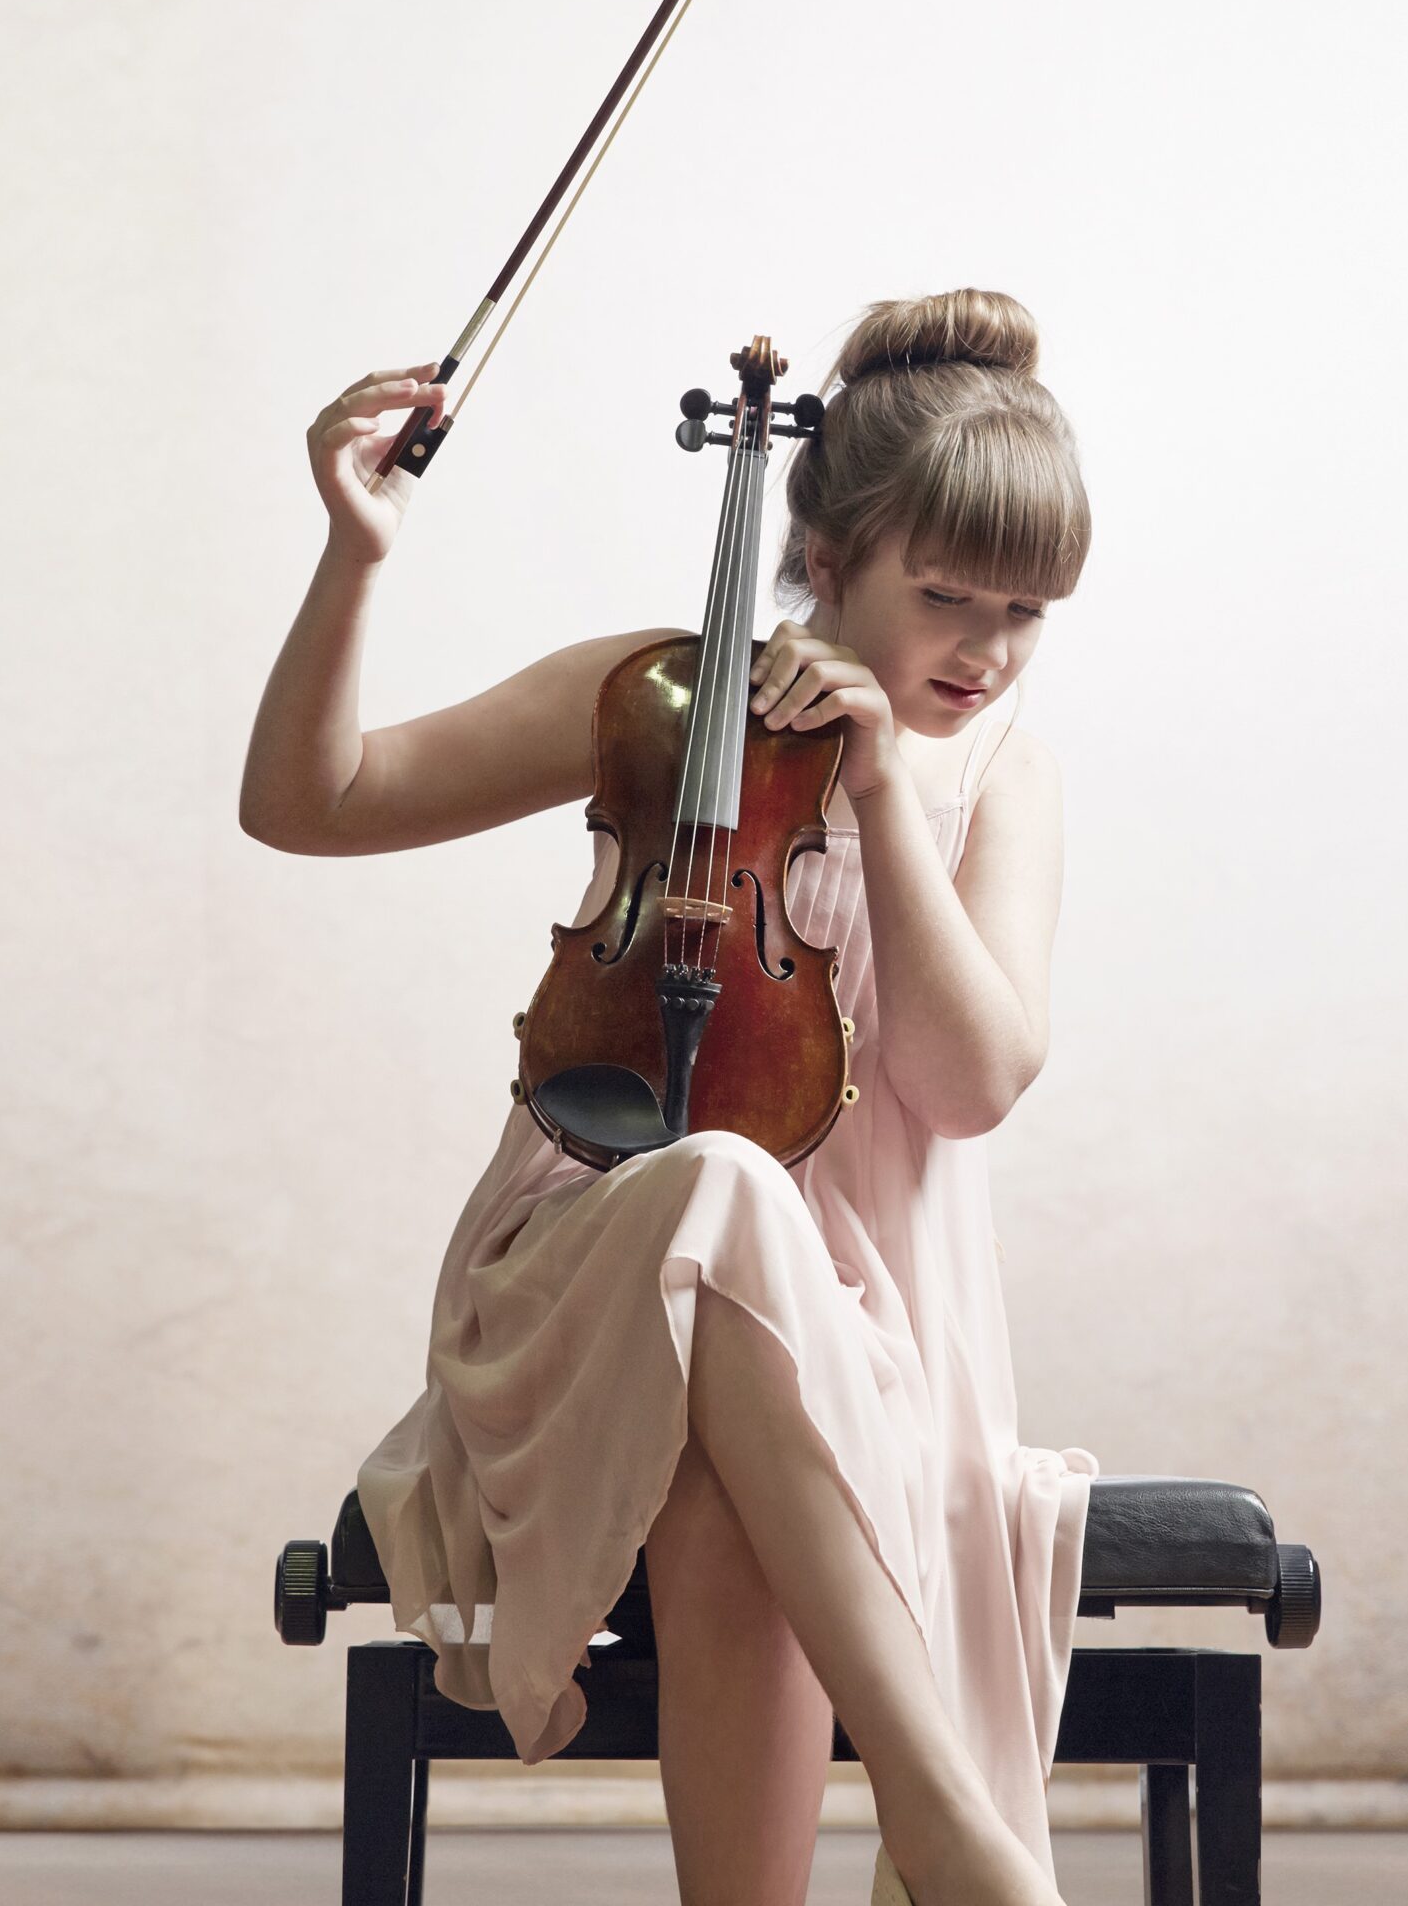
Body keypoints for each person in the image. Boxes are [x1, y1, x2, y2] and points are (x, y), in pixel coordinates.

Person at [241, 290, 1096, 1906]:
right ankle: (943, 1818)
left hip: (872, 1335)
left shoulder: (1002, 776)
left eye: (1027, 613)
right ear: (827, 559)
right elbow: (306, 802)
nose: (986, 651)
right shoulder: (658, 701)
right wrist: (356, 554)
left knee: (727, 1485)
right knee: (717, 1179)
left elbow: (967, 1087)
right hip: (590, 1271)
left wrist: (882, 798)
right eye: (947, 597)